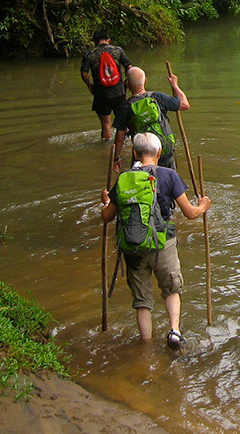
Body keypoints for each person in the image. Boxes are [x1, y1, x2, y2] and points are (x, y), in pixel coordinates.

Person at [100, 132, 211, 350]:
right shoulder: (169, 175)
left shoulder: (124, 179)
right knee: (171, 289)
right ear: (159, 152)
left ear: (135, 153)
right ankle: (174, 331)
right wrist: (203, 206)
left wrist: (105, 201)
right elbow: (189, 213)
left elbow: (107, 216)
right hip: (163, 244)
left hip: (133, 246)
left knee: (142, 301)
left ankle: (146, 347)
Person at [112, 67, 190, 172]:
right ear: (145, 80)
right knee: (168, 178)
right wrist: (175, 86)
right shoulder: (157, 97)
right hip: (163, 149)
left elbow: (119, 138)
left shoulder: (125, 107)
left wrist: (116, 158)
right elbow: (185, 104)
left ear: (127, 83)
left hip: (142, 154)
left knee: (142, 179)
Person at [80, 29, 131, 141]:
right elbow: (128, 66)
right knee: (123, 122)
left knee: (105, 124)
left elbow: (84, 72)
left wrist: (89, 85)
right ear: (108, 39)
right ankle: (123, 145)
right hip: (119, 92)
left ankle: (106, 146)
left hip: (101, 94)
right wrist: (127, 80)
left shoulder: (89, 54)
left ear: (94, 41)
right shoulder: (117, 50)